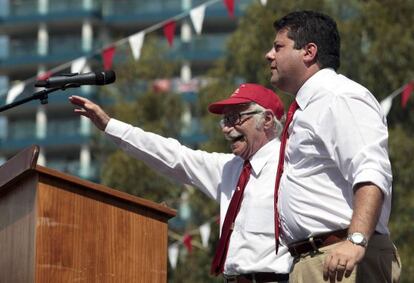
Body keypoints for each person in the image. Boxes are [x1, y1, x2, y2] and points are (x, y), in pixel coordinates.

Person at [69, 83, 293, 283]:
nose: (226, 128)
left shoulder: (292, 166)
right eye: (225, 120)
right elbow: (173, 155)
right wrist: (110, 125)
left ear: (266, 120)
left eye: (235, 118)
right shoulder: (230, 168)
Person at [265, 10, 401, 283]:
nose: (269, 55)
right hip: (315, 261)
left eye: (279, 47)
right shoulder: (309, 107)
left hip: (341, 258)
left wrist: (356, 240)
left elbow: (371, 169)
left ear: (309, 52)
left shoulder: (339, 97)